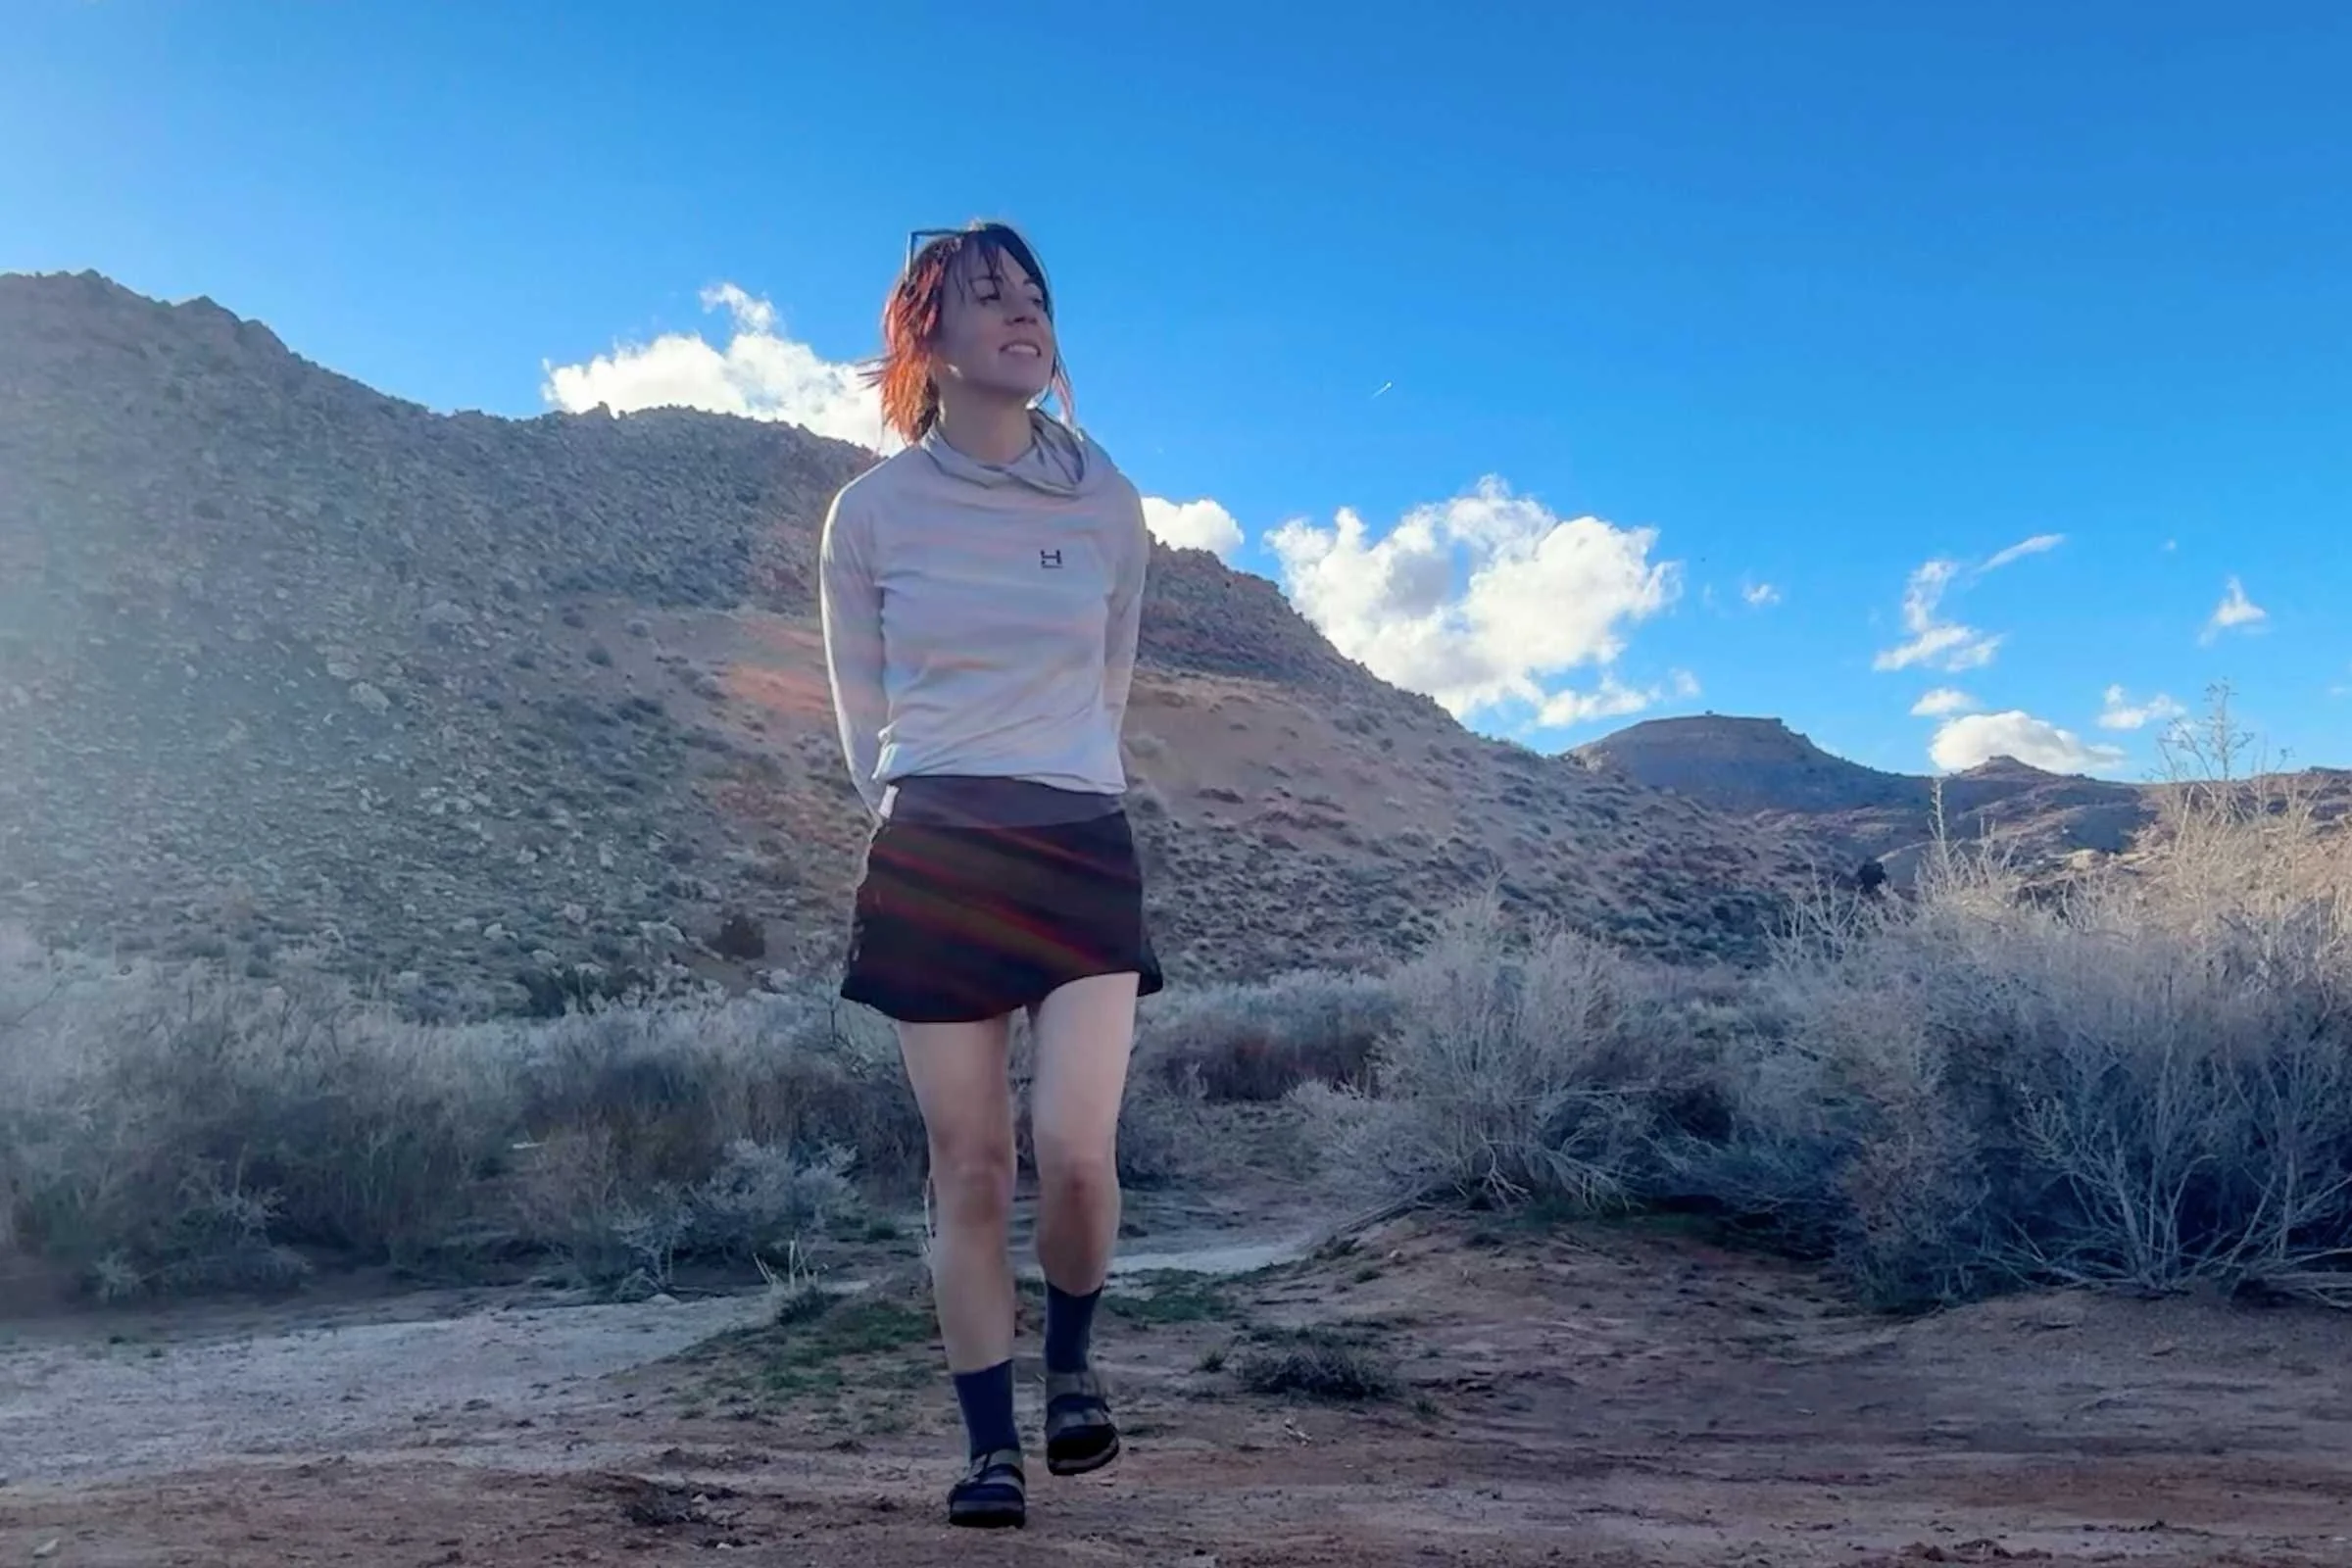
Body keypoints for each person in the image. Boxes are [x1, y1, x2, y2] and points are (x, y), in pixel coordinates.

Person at [816, 220, 1162, 1530]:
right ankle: (986, 1448)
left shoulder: (1105, 496)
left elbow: (1112, 669)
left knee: (1075, 1152)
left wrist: (1070, 772)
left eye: (1036, 296)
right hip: (938, 850)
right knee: (968, 1164)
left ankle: (1071, 1366)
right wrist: (926, 812)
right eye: (989, 297)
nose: (1024, 314)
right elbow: (863, 714)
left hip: (1076, 843)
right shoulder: (873, 515)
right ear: (930, 337)